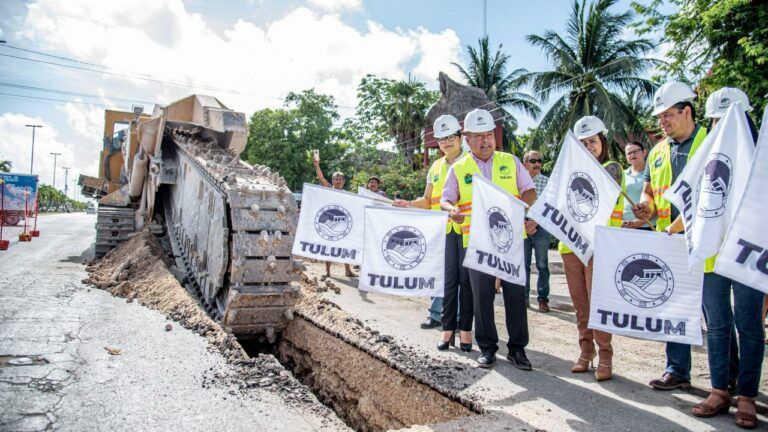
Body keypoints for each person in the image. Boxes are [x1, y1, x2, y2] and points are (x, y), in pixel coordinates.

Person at [688, 87, 764, 430]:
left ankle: (747, 395)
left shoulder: (760, 154)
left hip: (747, 255)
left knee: (748, 325)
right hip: (712, 256)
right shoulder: (707, 152)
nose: (723, 126)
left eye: (730, 119)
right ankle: (719, 390)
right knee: (716, 325)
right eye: (717, 121)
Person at [441, 108, 536, 369]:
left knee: (515, 295)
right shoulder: (459, 168)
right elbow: (445, 200)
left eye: (489, 135)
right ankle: (487, 348)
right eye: (478, 136)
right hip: (476, 243)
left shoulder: (510, 161)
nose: (485, 141)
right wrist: (453, 211)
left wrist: (520, 207)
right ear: (467, 140)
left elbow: (529, 191)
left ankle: (517, 349)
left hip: (510, 243)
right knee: (481, 298)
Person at [633, 81, 711, 392]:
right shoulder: (657, 152)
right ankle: (677, 369)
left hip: (705, 242)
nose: (662, 122)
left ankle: (729, 374)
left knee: (714, 312)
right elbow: (651, 195)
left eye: (668, 116)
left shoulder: (709, 142)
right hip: (669, 241)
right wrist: (645, 208)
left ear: (687, 111)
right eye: (659, 118)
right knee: (673, 307)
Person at [394, 114, 473, 349]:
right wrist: (408, 203)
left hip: (467, 230)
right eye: (441, 139)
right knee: (446, 281)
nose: (446, 143)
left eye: (450, 137)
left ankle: (464, 327)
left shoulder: (472, 161)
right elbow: (428, 200)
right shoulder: (436, 167)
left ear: (460, 138)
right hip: (443, 231)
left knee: (465, 282)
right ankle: (447, 327)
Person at [559, 116, 624, 382]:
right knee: (581, 305)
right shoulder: (569, 172)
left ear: (603, 142)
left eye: (593, 142)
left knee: (599, 304)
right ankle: (586, 352)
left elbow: (603, 187)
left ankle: (605, 355)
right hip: (571, 244)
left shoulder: (612, 168)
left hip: (599, 246)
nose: (588, 146)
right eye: (583, 143)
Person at [313, 158, 356, 278]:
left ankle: (348, 270)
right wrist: (317, 166)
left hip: (343, 223)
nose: (338, 181)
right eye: (336, 179)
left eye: (340, 179)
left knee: (345, 247)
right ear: (333, 181)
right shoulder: (329, 189)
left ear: (344, 181)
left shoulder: (348, 194)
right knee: (329, 248)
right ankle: (327, 271)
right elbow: (321, 179)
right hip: (329, 223)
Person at [522, 151, 552, 312]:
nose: (537, 163)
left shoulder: (547, 183)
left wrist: (534, 222)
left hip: (541, 227)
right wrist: (525, 224)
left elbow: (549, 207)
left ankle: (543, 299)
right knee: (523, 265)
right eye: (533, 160)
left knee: (542, 265)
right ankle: (524, 299)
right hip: (522, 226)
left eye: (539, 160)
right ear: (525, 163)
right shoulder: (518, 182)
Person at [621, 142, 655, 230]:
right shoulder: (622, 175)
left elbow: (659, 201)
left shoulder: (654, 173)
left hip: (649, 226)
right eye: (629, 153)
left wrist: (639, 222)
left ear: (644, 152)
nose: (632, 154)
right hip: (626, 226)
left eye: (636, 151)